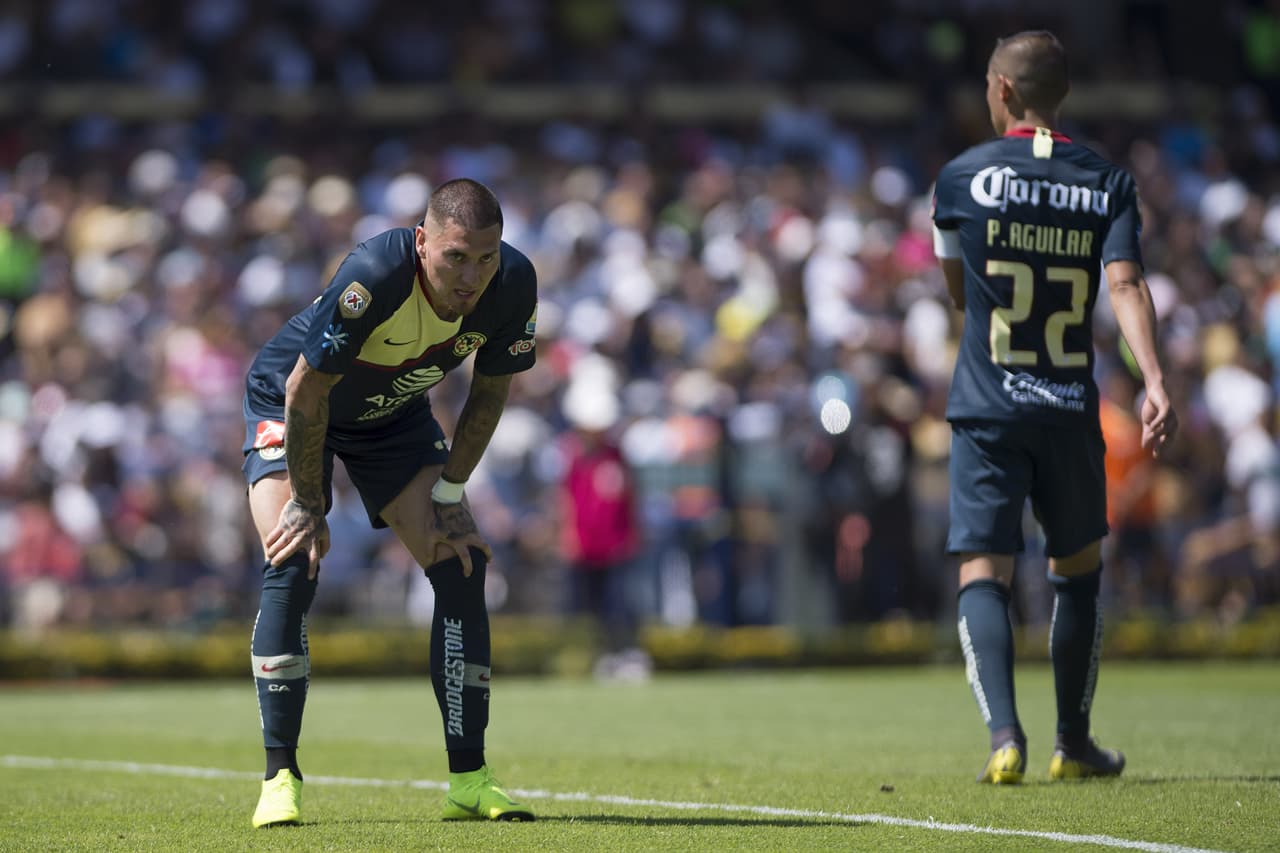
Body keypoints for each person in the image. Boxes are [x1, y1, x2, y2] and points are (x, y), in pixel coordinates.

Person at [240, 178, 539, 826]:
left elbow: (488, 395)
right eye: (455, 256)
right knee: (292, 560)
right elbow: (303, 390)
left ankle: (469, 777)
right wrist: (310, 502)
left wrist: (452, 491)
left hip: (392, 415)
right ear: (423, 239)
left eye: (484, 258)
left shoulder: (514, 283)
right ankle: (279, 775)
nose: (471, 276)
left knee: (463, 563)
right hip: (294, 405)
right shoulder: (373, 274)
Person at [931, 31, 1177, 784]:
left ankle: (1006, 736)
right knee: (1077, 571)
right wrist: (1156, 379)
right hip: (1071, 403)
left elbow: (959, 296)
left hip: (987, 405)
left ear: (1003, 90)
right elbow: (1127, 287)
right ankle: (1074, 741)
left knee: (985, 569)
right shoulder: (1106, 182)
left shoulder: (960, 178)